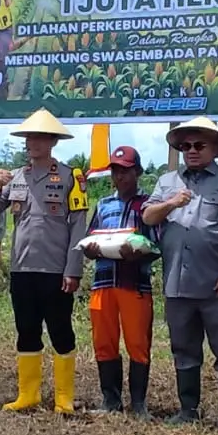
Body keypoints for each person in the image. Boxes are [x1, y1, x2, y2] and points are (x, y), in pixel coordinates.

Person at [143, 117, 218, 433]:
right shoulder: (168, 181)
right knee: (183, 349)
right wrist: (172, 202)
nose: (191, 151)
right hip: (177, 280)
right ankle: (189, 410)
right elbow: (148, 215)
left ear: (215, 148)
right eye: (185, 146)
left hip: (217, 282)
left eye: (199, 145)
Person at [0, 109, 88, 414]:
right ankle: (27, 395)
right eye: (28, 137)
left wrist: (73, 269)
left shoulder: (72, 176)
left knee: (60, 330)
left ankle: (63, 398)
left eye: (39, 137)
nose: (32, 142)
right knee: (26, 329)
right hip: (22, 267)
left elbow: (78, 226)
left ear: (52, 141)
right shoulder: (15, 177)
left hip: (56, 269)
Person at [81, 145, 158, 417]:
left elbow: (157, 246)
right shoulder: (103, 205)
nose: (120, 177)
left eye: (126, 171)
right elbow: (91, 237)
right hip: (103, 282)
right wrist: (89, 250)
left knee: (138, 343)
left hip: (134, 283)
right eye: (115, 171)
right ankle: (110, 401)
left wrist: (137, 254)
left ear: (137, 172)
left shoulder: (148, 206)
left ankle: (139, 404)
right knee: (104, 341)